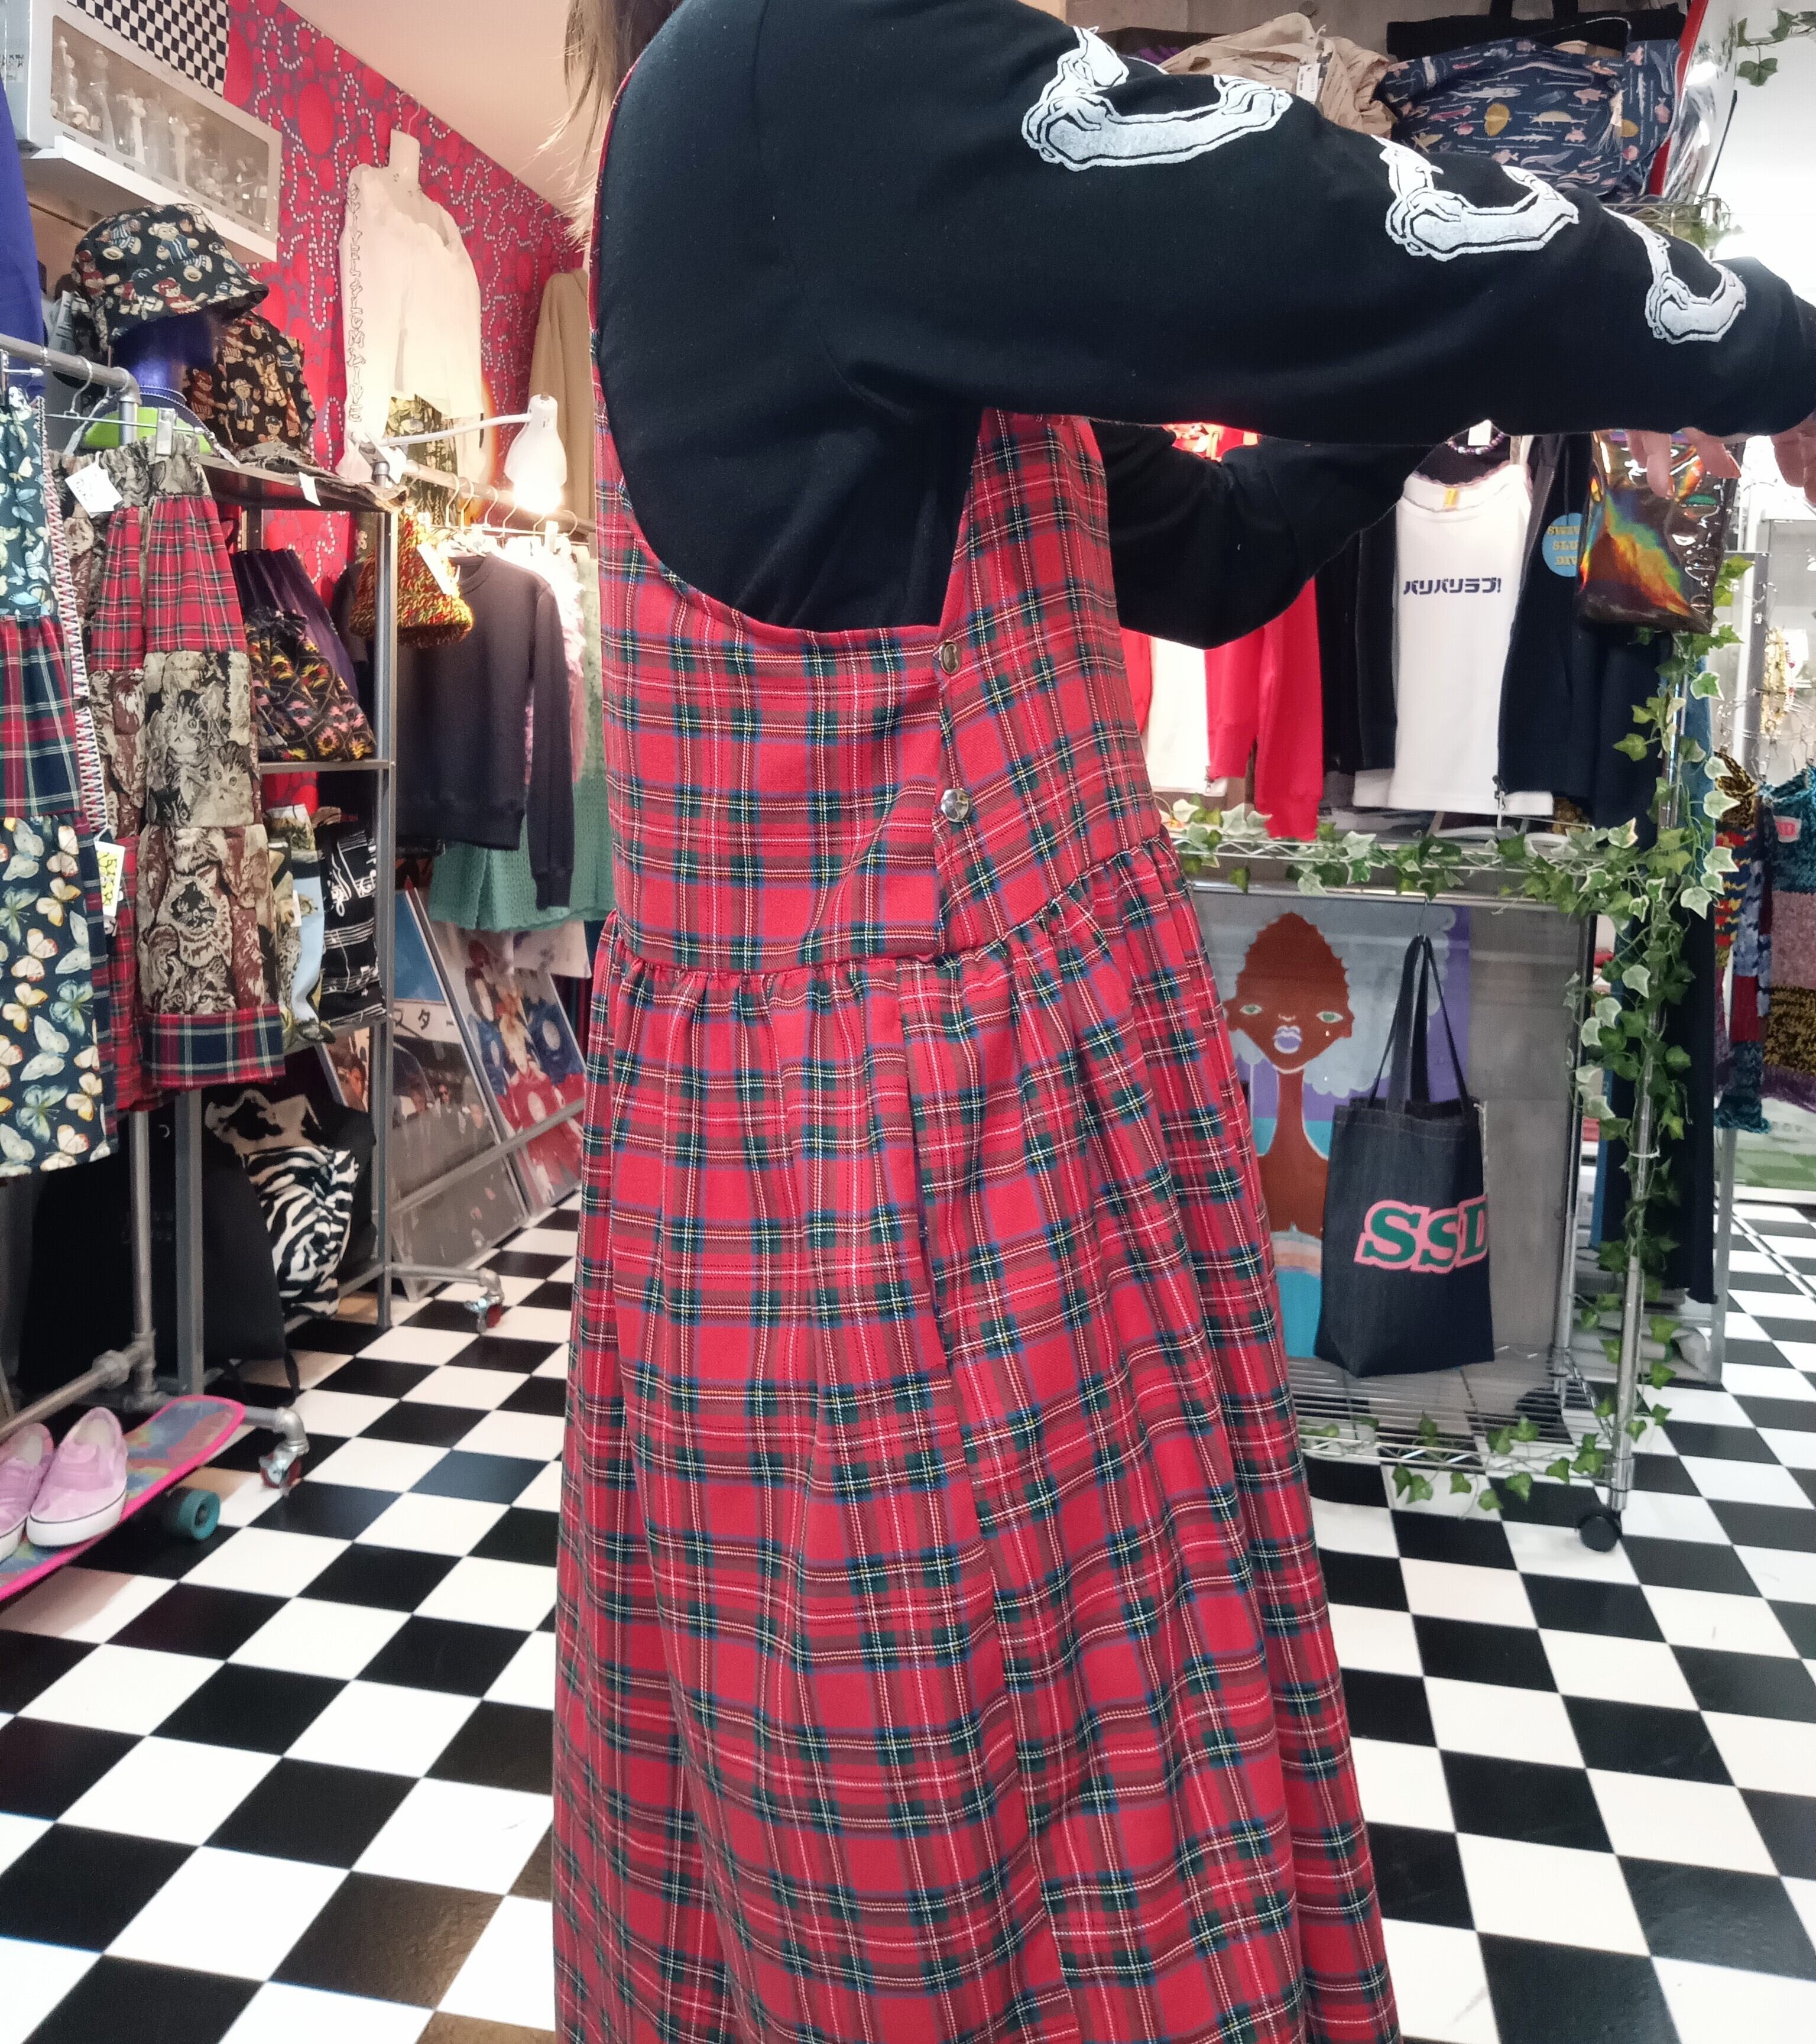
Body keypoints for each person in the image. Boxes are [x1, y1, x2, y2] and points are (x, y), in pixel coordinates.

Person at [554, 5, 1816, 2040]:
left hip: (901, 1133)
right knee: (991, 1851)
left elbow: (1209, 556)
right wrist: (1767, 344)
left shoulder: (788, 126)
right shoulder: (810, 52)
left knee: (973, 1825)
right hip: (911, 1171)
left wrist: (1414, 395)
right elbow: (1330, 232)